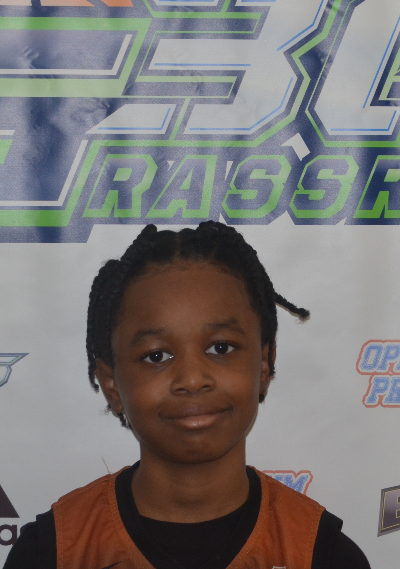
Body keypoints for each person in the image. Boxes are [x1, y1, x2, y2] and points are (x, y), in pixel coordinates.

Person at [4, 222, 370, 569]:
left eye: (221, 348)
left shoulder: (322, 555)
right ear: (112, 385)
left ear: (263, 365)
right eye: (156, 356)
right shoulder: (52, 553)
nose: (192, 379)